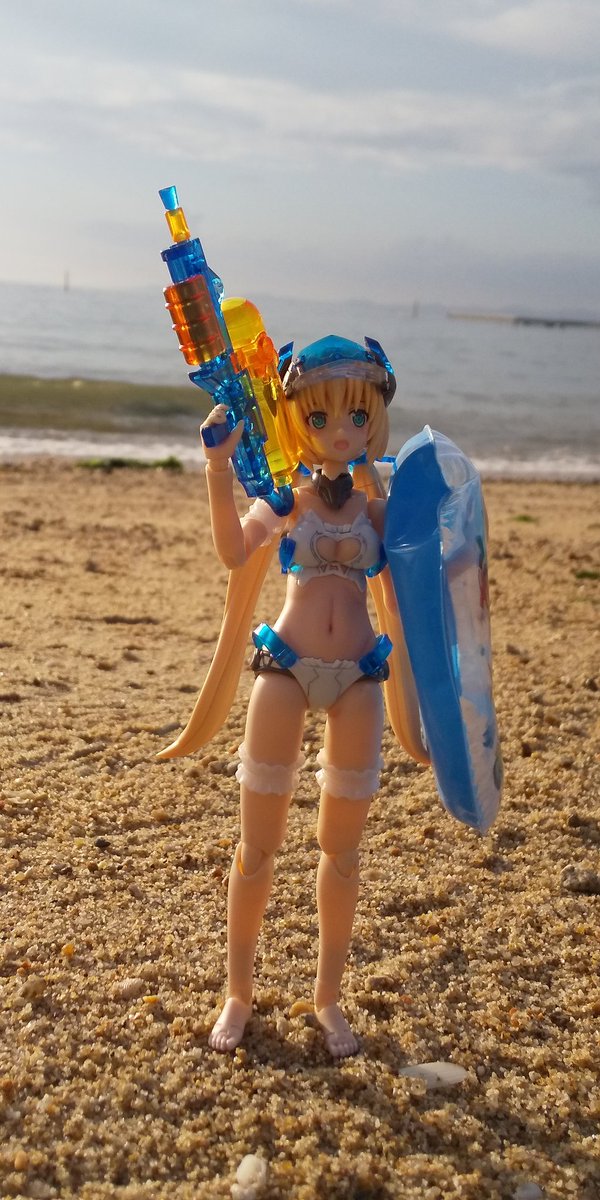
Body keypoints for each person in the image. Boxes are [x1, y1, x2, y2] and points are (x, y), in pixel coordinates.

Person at [158, 336, 427, 1057]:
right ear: (293, 419)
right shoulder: (286, 500)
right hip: (284, 667)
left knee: (343, 853)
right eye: (320, 417)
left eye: (358, 417)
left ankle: (328, 998)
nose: (341, 431)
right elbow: (232, 551)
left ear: (375, 420)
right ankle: (238, 992)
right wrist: (218, 466)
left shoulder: (376, 512)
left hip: (360, 676)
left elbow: (422, 582)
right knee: (257, 847)